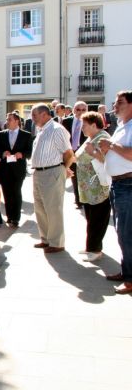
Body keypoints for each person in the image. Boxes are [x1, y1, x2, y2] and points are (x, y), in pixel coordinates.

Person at [29, 103, 75, 253]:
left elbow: (68, 154)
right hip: (39, 173)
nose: (32, 118)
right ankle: (46, 239)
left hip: (52, 172)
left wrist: (63, 169)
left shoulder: (56, 130)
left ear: (44, 114)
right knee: (40, 208)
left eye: (34, 115)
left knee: (53, 209)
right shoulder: (42, 130)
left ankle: (57, 243)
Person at [99, 90, 132, 294]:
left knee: (127, 233)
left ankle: (130, 279)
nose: (115, 105)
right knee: (122, 232)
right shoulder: (122, 126)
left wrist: (111, 145)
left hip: (128, 185)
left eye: (120, 102)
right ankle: (126, 271)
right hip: (118, 185)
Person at [74, 111, 112, 262]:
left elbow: (108, 159)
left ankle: (95, 249)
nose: (82, 128)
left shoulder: (103, 138)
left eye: (84, 125)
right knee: (91, 218)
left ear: (94, 125)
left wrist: (94, 152)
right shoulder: (91, 137)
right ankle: (91, 246)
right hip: (88, 189)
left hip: (99, 189)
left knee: (98, 219)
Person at [0, 112, 33, 227]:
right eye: (7, 119)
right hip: (5, 169)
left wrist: (22, 154)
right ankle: (9, 217)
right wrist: (2, 153)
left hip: (18, 169)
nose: (7, 122)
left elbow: (30, 152)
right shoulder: (1, 134)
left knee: (16, 192)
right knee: (7, 192)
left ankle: (16, 217)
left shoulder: (26, 135)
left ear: (17, 121)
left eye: (9, 119)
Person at [62, 101, 89, 208]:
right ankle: (78, 201)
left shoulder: (90, 121)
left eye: (83, 109)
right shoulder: (66, 121)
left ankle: (85, 199)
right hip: (70, 152)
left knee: (84, 177)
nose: (81, 112)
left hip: (84, 153)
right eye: (78, 109)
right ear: (73, 110)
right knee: (74, 177)